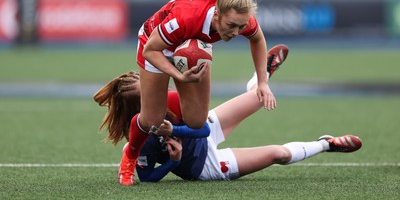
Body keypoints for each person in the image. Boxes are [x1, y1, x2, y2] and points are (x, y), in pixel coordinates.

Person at [93, 45, 363, 182]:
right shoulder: (138, 137)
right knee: (278, 155)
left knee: (259, 99)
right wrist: (173, 161)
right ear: (136, 109)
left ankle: (260, 79)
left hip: (204, 128)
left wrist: (174, 130)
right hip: (205, 165)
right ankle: (326, 143)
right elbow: (146, 177)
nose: (156, 91)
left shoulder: (170, 99)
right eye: (148, 92)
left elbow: (204, 129)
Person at [116, 0, 276, 185]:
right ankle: (130, 156)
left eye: (241, 27)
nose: (237, 32)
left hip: (190, 48)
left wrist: (262, 82)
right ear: (217, 14)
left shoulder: (239, 17)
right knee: (152, 120)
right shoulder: (186, 18)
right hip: (155, 46)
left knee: (197, 121)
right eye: (232, 26)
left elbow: (257, 39)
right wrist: (179, 75)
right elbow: (150, 50)